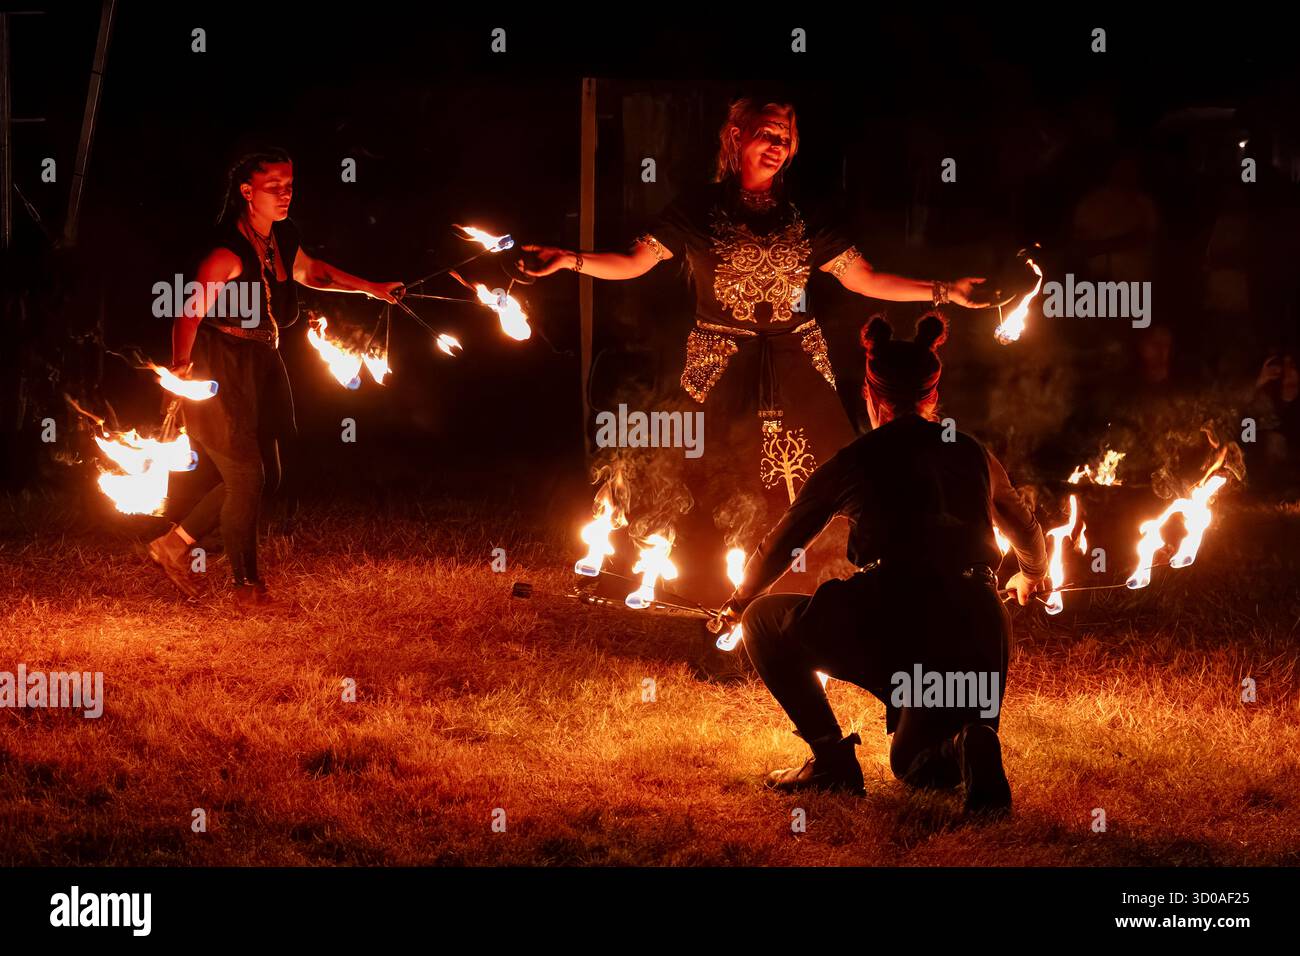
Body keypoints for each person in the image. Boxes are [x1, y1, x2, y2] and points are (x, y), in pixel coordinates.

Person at [520, 98, 1001, 596]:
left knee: (820, 475)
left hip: (798, 364)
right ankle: (713, 591)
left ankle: (823, 589)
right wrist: (566, 259)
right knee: (709, 472)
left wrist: (948, 291)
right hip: (720, 362)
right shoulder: (700, 208)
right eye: (768, 133)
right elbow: (632, 261)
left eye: (786, 138)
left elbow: (865, 278)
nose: (778, 146)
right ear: (735, 136)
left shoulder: (806, 212)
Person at [718, 313, 1048, 815]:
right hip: (980, 619)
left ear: (872, 399)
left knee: (763, 621)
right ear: (933, 397)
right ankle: (969, 742)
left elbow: (783, 543)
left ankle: (831, 762)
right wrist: (1033, 573)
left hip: (896, 610)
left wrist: (740, 600)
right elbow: (1024, 526)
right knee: (918, 766)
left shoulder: (857, 458)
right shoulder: (973, 452)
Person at [148, 147, 402, 607]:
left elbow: (314, 272)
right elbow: (186, 315)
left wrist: (373, 288)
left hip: (263, 362)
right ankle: (246, 585)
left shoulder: (281, 238)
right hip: (221, 366)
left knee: (269, 475)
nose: (285, 194)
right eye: (274, 187)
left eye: (289, 185)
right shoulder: (226, 252)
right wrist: (180, 375)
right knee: (246, 475)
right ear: (248, 193)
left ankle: (173, 543)